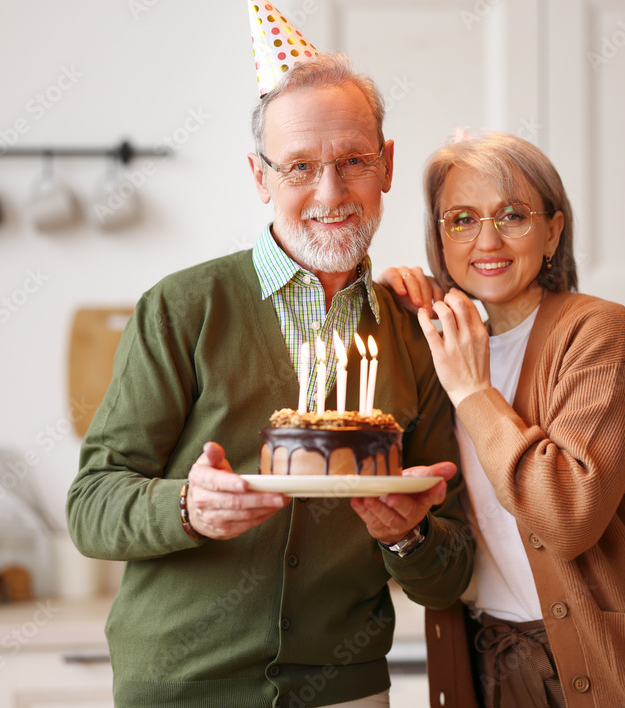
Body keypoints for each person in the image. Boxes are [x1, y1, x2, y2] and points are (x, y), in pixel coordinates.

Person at [65, 45, 473, 707]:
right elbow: (91, 508)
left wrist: (409, 534)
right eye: (301, 167)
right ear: (261, 177)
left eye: (354, 162)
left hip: (344, 689)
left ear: (387, 165)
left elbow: (449, 574)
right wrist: (188, 509)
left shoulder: (417, 331)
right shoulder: (183, 309)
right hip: (181, 686)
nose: (332, 192)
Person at [382, 131, 625, 707]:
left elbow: (568, 516)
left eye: (511, 215)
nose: (486, 239)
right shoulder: (441, 341)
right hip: (490, 660)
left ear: (553, 231)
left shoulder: (599, 332)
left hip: (615, 667)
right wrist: (384, 303)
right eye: (460, 219)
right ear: (439, 238)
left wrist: (473, 391)